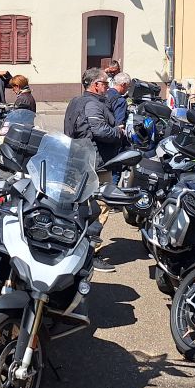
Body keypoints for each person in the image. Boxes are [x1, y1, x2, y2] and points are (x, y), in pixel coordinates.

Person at [64, 67, 123, 272]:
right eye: (105, 83)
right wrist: (118, 132)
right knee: (101, 206)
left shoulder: (76, 101)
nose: (108, 86)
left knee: (81, 206)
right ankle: (90, 252)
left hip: (79, 159)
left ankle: (76, 246)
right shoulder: (92, 104)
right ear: (96, 85)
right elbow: (100, 131)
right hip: (95, 163)